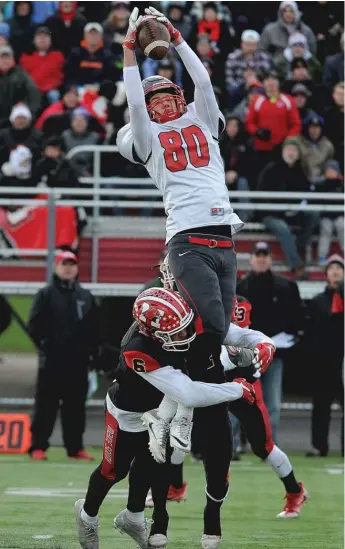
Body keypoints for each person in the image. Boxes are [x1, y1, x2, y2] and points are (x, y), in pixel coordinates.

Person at [116, 9, 244, 546]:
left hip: (225, 239)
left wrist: (177, 40)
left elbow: (205, 80)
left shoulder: (202, 118)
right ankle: (181, 404)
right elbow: (133, 104)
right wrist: (129, 54)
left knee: (220, 333)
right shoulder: (145, 138)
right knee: (213, 323)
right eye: (156, 96)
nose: (166, 99)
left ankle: (179, 404)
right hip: (187, 239)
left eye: (171, 92)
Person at [75, 287, 255, 549]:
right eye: (177, 331)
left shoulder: (172, 326)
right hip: (128, 412)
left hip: (160, 408)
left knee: (152, 464)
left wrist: (247, 349)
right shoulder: (138, 349)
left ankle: (134, 517)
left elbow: (205, 352)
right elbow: (189, 391)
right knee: (114, 470)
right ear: (154, 333)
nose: (185, 334)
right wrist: (236, 389)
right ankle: (87, 516)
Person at [27, 250, 100, 461]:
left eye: (72, 264)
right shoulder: (45, 295)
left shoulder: (85, 296)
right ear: (56, 267)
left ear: (77, 268)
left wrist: (93, 353)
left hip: (78, 362)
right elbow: (34, 325)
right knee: (45, 405)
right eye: (64, 264)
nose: (68, 268)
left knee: (76, 407)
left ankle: (75, 448)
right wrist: (45, 347)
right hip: (52, 362)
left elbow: (95, 328)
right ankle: (38, 446)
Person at [237, 241, 304, 441]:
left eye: (265, 255)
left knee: (273, 402)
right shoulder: (239, 288)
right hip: (246, 354)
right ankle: (237, 443)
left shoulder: (286, 287)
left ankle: (268, 443)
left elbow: (296, 320)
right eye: (257, 254)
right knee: (242, 398)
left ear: (270, 259)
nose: (261, 258)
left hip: (274, 354)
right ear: (251, 258)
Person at [257, 138, 318, 278]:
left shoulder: (300, 171)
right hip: (271, 213)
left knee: (314, 215)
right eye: (289, 149)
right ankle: (295, 265)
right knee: (283, 228)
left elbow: (307, 192)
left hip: (293, 212)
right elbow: (262, 193)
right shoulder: (272, 169)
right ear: (283, 151)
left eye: (294, 150)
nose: (291, 153)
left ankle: (298, 246)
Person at [305, 255, 344, 457]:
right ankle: (319, 445)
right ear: (326, 274)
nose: (336, 272)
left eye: (340, 268)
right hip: (323, 362)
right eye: (332, 268)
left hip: (342, 361)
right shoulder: (317, 302)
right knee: (321, 407)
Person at [245, 71, 301, 178]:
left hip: (281, 148)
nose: (271, 83)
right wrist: (257, 132)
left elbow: (296, 124)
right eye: (268, 80)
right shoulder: (257, 100)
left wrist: (288, 140)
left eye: (274, 79)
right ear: (264, 83)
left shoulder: (287, 100)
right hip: (262, 148)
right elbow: (249, 122)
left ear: (278, 82)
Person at [19, 26, 64, 106]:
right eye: (39, 37)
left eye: (45, 37)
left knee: (54, 95)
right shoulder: (26, 57)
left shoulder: (57, 56)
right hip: (32, 90)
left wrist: (50, 86)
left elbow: (60, 76)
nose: (42, 39)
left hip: (51, 90)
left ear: (50, 41)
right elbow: (23, 77)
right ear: (34, 40)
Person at [225, 29, 271, 106]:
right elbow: (229, 80)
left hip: (259, 88)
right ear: (242, 44)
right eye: (247, 44)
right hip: (239, 89)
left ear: (257, 45)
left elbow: (267, 76)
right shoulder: (233, 57)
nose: (250, 47)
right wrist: (244, 86)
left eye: (252, 45)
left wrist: (256, 80)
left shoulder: (263, 58)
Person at [0, 45, 41, 130]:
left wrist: (27, 110)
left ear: (13, 60)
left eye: (7, 58)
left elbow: (34, 94)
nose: (5, 61)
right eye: (2, 58)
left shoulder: (22, 75)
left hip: (16, 117)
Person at [66, 23, 119, 88]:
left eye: (96, 34)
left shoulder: (107, 54)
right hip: (79, 87)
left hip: (99, 88)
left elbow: (109, 75)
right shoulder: (75, 53)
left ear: (101, 36)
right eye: (90, 34)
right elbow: (70, 74)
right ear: (85, 35)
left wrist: (98, 86)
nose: (93, 36)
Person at [317, 160, 344, 265]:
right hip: (325, 216)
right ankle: (322, 256)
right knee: (326, 228)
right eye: (328, 170)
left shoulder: (342, 184)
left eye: (333, 170)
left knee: (342, 226)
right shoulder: (320, 184)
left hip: (340, 215)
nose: (330, 172)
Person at [0, 103, 43, 168]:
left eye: (24, 118)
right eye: (18, 118)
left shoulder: (38, 135)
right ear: (12, 120)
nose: (21, 121)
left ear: (29, 120)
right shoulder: (3, 135)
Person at [298, 113, 334, 189]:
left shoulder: (327, 145)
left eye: (317, 127)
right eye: (312, 127)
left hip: (322, 183)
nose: (314, 130)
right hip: (301, 182)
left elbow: (331, 161)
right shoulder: (299, 143)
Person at [62, 107, 101, 175]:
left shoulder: (95, 137)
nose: (79, 123)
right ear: (71, 122)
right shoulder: (64, 136)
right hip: (69, 172)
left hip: (90, 172)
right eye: (76, 120)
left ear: (87, 122)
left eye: (83, 120)